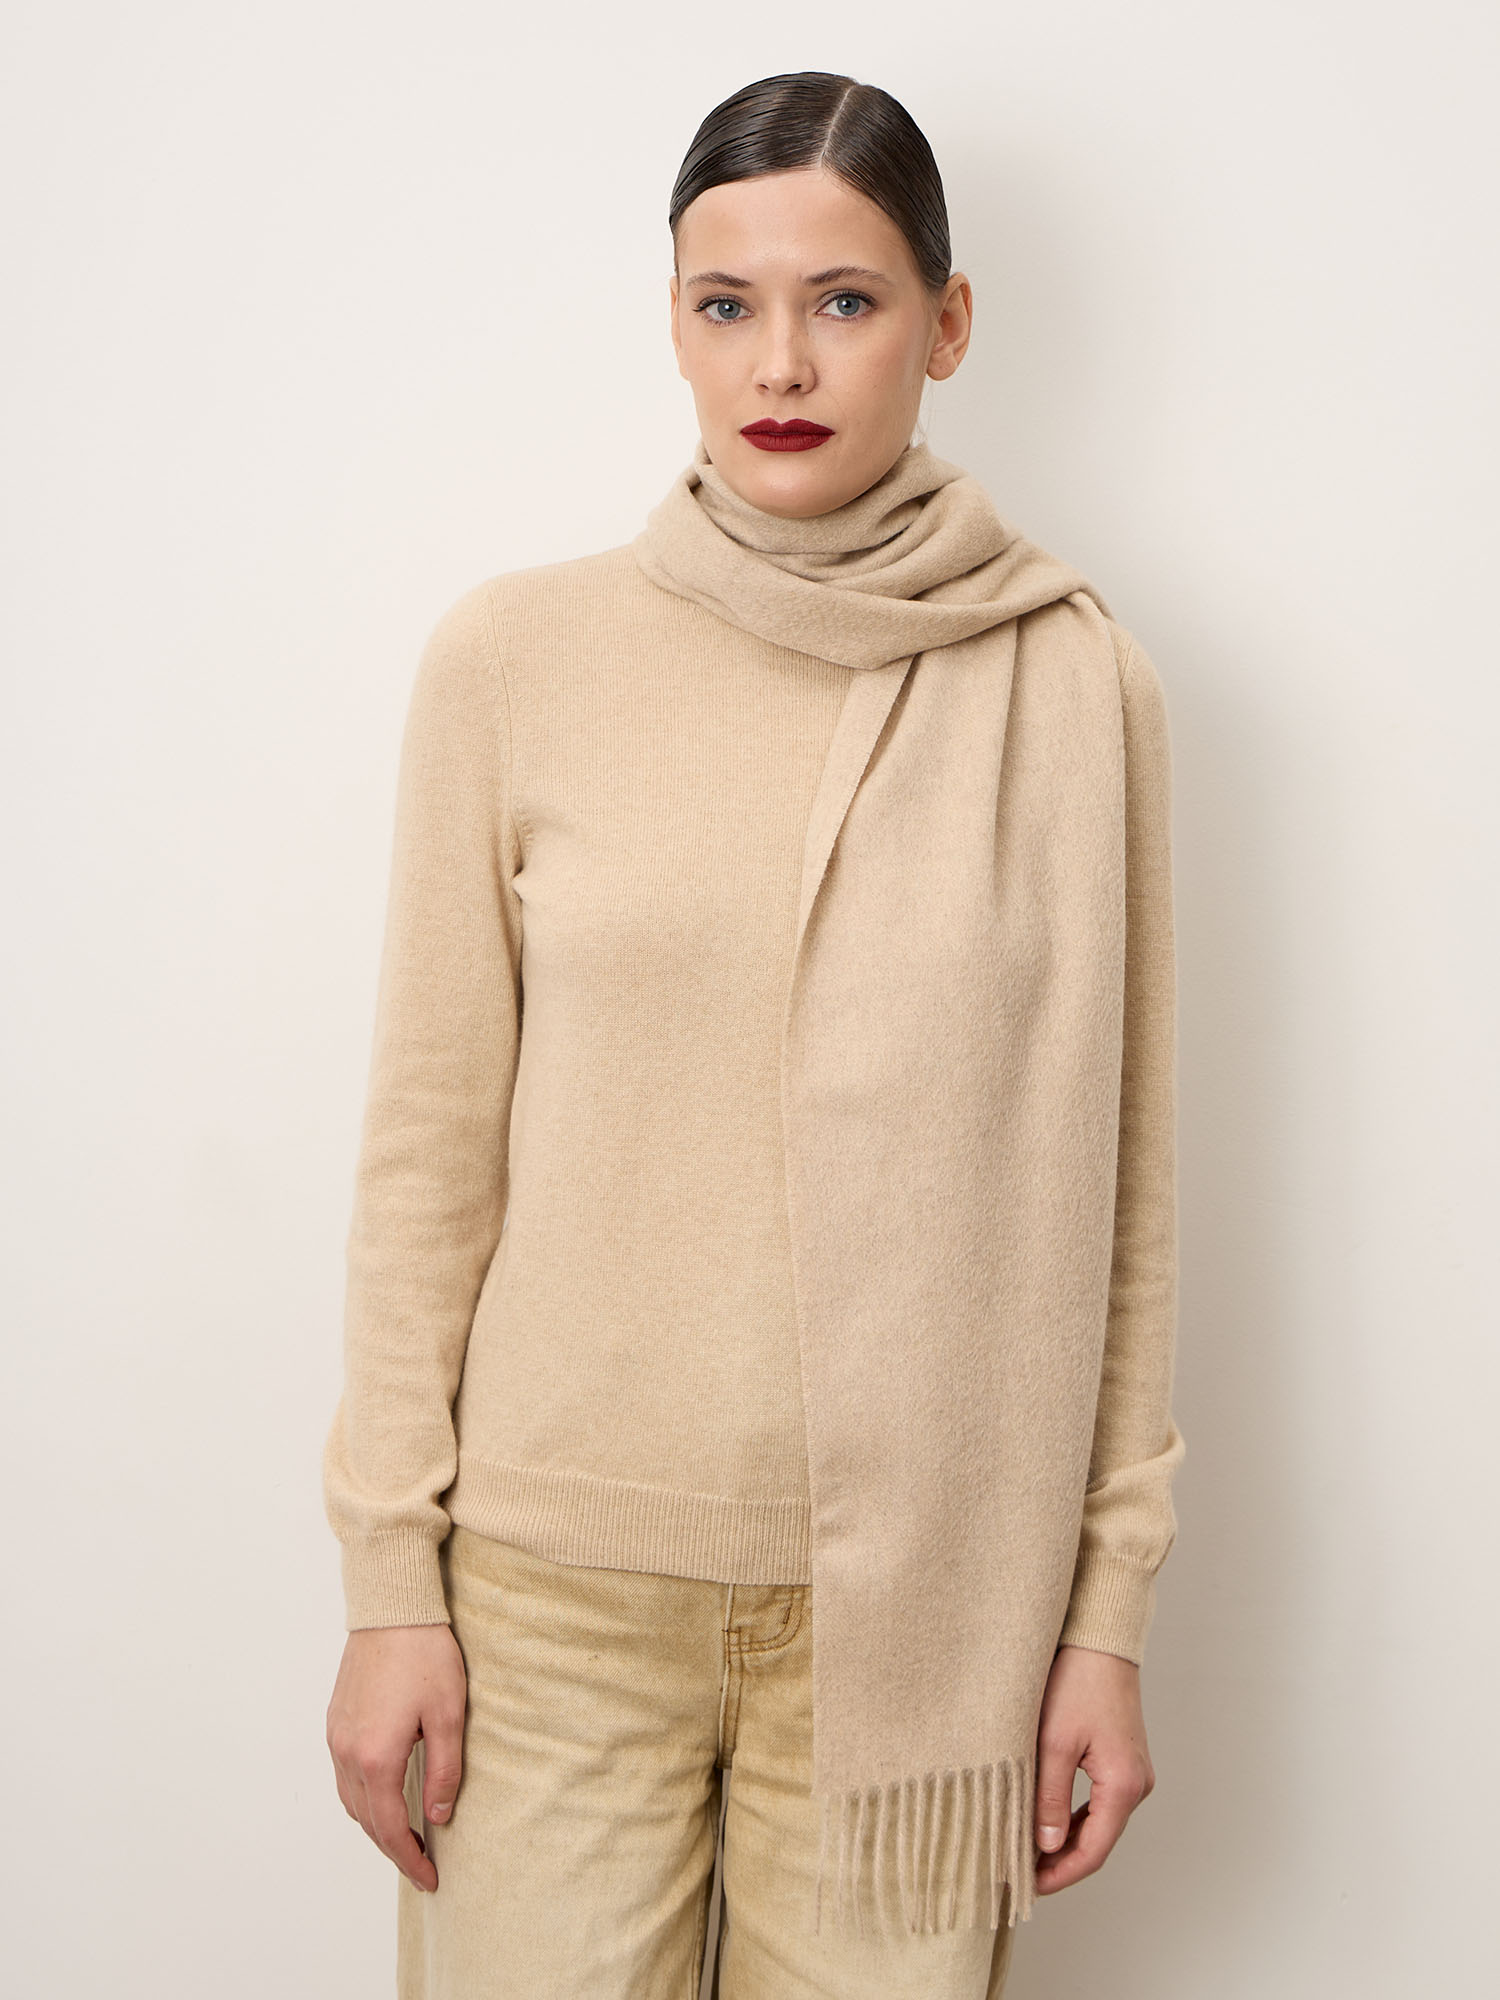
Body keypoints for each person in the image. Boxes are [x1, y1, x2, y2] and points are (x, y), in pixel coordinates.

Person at [322, 69, 1186, 2000]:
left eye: (845, 300)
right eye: (728, 304)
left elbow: (1120, 1200)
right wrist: (389, 1586)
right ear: (675, 323)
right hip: (550, 1601)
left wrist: (1106, 1617)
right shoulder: (514, 660)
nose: (780, 362)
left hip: (932, 1626)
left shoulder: (1074, 684)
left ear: (947, 324)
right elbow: (426, 1161)